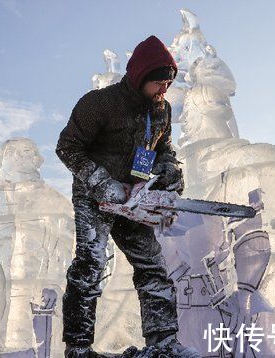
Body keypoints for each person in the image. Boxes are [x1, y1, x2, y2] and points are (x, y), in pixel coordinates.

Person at [56, 35, 197, 357]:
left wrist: (169, 171)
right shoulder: (99, 103)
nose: (164, 89)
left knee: (152, 265)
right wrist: (101, 182)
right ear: (140, 77)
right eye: (159, 82)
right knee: (91, 262)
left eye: (169, 83)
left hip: (135, 199)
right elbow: (67, 148)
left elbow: (163, 149)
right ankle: (78, 346)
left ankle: (164, 342)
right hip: (95, 195)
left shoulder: (162, 111)